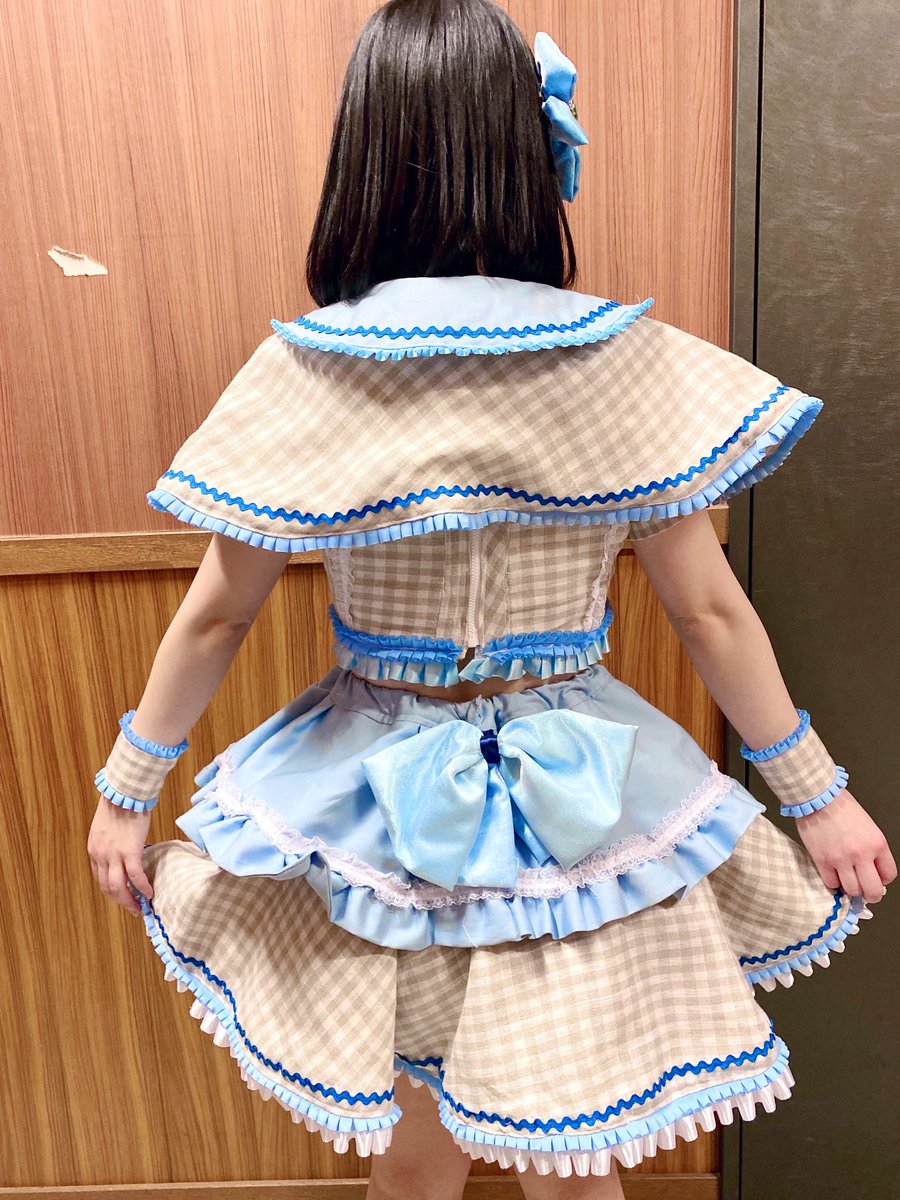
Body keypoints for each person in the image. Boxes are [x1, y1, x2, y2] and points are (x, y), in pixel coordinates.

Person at [86, 2, 895, 1197]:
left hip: (363, 801)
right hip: (588, 808)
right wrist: (815, 796)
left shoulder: (311, 364)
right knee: (572, 1148)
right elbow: (709, 612)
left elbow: (218, 613)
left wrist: (127, 790)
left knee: (416, 1160)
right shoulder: (617, 360)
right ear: (527, 152)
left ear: (366, 152)